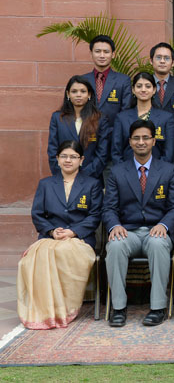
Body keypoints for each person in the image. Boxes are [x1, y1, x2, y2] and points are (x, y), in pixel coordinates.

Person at [103, 119, 174, 327]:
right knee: (115, 245)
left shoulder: (168, 170)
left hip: (155, 231)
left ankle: (157, 308)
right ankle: (118, 308)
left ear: (153, 141)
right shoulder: (117, 171)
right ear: (130, 142)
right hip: (128, 231)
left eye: (145, 138)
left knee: (158, 244)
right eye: (136, 138)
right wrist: (115, 226)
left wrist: (164, 225)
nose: (141, 142)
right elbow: (109, 208)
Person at [18, 140, 102, 329]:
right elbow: (37, 213)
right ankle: (43, 311)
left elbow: (95, 215)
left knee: (63, 253)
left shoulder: (92, 184)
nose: (68, 160)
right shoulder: (46, 184)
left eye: (73, 157)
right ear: (57, 159)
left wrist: (73, 231)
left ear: (81, 160)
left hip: (79, 238)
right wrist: (51, 231)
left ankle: (63, 309)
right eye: (64, 156)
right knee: (31, 259)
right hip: (50, 237)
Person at [48, 75, 109, 180]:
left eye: (83, 91)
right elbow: (53, 149)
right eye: (74, 91)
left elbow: (102, 153)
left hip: (91, 179)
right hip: (63, 178)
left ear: (89, 94)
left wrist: (86, 175)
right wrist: (64, 174)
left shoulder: (100, 119)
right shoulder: (57, 118)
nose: (78, 95)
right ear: (68, 94)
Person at [112, 72, 174, 165]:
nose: (143, 90)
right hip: (127, 172)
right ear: (133, 90)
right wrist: (124, 172)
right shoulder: (122, 118)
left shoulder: (166, 118)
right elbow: (116, 152)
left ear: (154, 90)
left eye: (148, 86)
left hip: (158, 173)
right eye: (139, 86)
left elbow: (168, 153)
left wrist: (158, 172)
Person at [82, 34, 132, 127]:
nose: (102, 55)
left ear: (113, 55)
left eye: (106, 52)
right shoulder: (82, 80)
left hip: (113, 135)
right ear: (91, 54)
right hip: (86, 133)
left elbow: (126, 112)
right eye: (97, 51)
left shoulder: (124, 80)